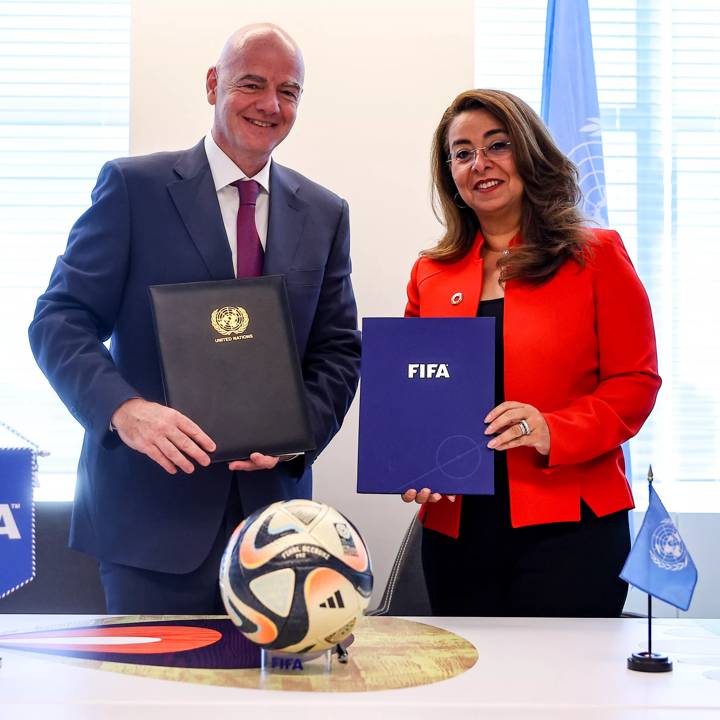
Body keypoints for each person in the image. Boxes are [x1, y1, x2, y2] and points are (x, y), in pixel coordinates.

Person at [28, 24, 360, 614]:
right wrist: (124, 411)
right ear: (213, 85)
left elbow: (337, 351)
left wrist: (294, 435)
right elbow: (60, 319)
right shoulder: (134, 188)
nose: (270, 104)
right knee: (148, 701)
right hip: (149, 520)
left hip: (278, 533)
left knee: (270, 704)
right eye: (251, 84)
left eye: (289, 91)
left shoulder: (325, 213)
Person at [401, 89, 661, 617]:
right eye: (463, 152)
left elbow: (636, 382)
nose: (481, 164)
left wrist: (551, 428)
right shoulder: (431, 272)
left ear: (529, 152)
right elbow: (412, 392)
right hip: (457, 531)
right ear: (450, 171)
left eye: (497, 145)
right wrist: (411, 459)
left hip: (574, 528)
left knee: (567, 694)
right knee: (469, 692)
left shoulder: (597, 255)